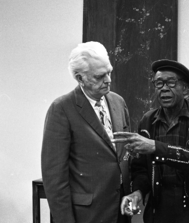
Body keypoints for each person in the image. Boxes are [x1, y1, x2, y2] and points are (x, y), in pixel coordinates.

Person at [114, 59, 189, 223]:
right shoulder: (147, 121)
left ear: (184, 88)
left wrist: (154, 147)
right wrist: (137, 192)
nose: (164, 89)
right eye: (159, 83)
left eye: (171, 83)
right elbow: (141, 169)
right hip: (158, 212)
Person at [41, 41, 132, 223]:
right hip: (86, 215)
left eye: (109, 72)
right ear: (80, 78)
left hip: (120, 212)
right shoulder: (62, 109)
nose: (108, 80)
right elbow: (54, 178)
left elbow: (126, 154)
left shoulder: (118, 102)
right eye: (99, 76)